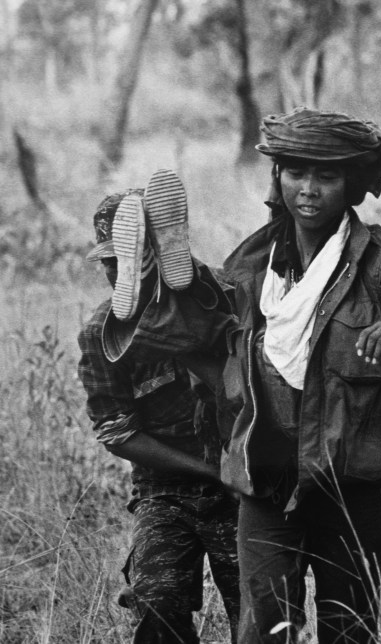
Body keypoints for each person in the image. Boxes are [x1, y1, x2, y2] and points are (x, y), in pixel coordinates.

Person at [215, 108, 381, 644]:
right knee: (264, 628)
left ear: (353, 185)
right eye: (295, 173)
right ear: (279, 176)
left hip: (349, 486)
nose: (308, 189)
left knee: (349, 629)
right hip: (267, 479)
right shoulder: (252, 261)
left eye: (327, 176)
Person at [77, 188, 240, 644]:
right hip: (166, 489)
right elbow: (119, 433)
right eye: (109, 262)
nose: (112, 273)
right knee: (157, 599)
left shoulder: (224, 295)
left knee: (262, 609)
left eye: (126, 261)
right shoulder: (102, 334)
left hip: (246, 476)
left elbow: (261, 391)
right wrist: (210, 471)